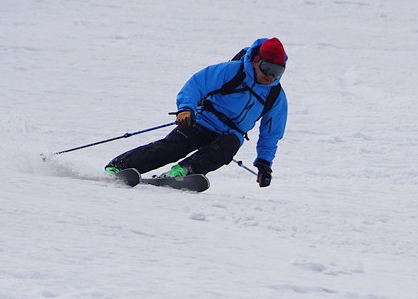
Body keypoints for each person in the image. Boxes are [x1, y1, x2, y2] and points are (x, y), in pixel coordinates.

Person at [105, 37, 288, 187]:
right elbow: (197, 85)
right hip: (201, 121)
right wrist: (186, 109)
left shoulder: (275, 96)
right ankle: (119, 166)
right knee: (172, 147)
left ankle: (182, 172)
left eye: (277, 71)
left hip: (230, 135)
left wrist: (264, 165)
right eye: (267, 68)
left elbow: (271, 134)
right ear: (256, 61)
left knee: (227, 147)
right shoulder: (232, 71)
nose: (271, 75)